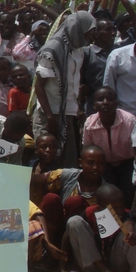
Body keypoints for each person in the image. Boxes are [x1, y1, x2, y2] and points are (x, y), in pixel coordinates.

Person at [34, 11, 96, 168]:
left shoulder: (78, 50)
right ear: (78, 29)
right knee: (49, 163)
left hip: (68, 113)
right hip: (50, 114)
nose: (90, 36)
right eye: (88, 32)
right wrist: (49, 117)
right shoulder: (53, 50)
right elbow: (39, 86)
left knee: (67, 163)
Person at [62, 184, 136, 272]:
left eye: (122, 205)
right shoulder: (89, 213)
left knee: (135, 235)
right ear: (100, 207)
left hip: (118, 267)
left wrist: (130, 232)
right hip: (94, 267)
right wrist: (63, 266)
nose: (120, 210)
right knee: (74, 221)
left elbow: (129, 223)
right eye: (115, 208)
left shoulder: (125, 215)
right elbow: (69, 234)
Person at [82, 87, 136, 208]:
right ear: (94, 105)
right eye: (101, 99)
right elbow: (87, 149)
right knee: (106, 194)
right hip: (104, 165)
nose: (106, 102)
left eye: (110, 99)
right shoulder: (90, 123)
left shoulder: (129, 120)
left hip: (127, 163)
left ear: (116, 103)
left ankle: (127, 220)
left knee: (128, 192)